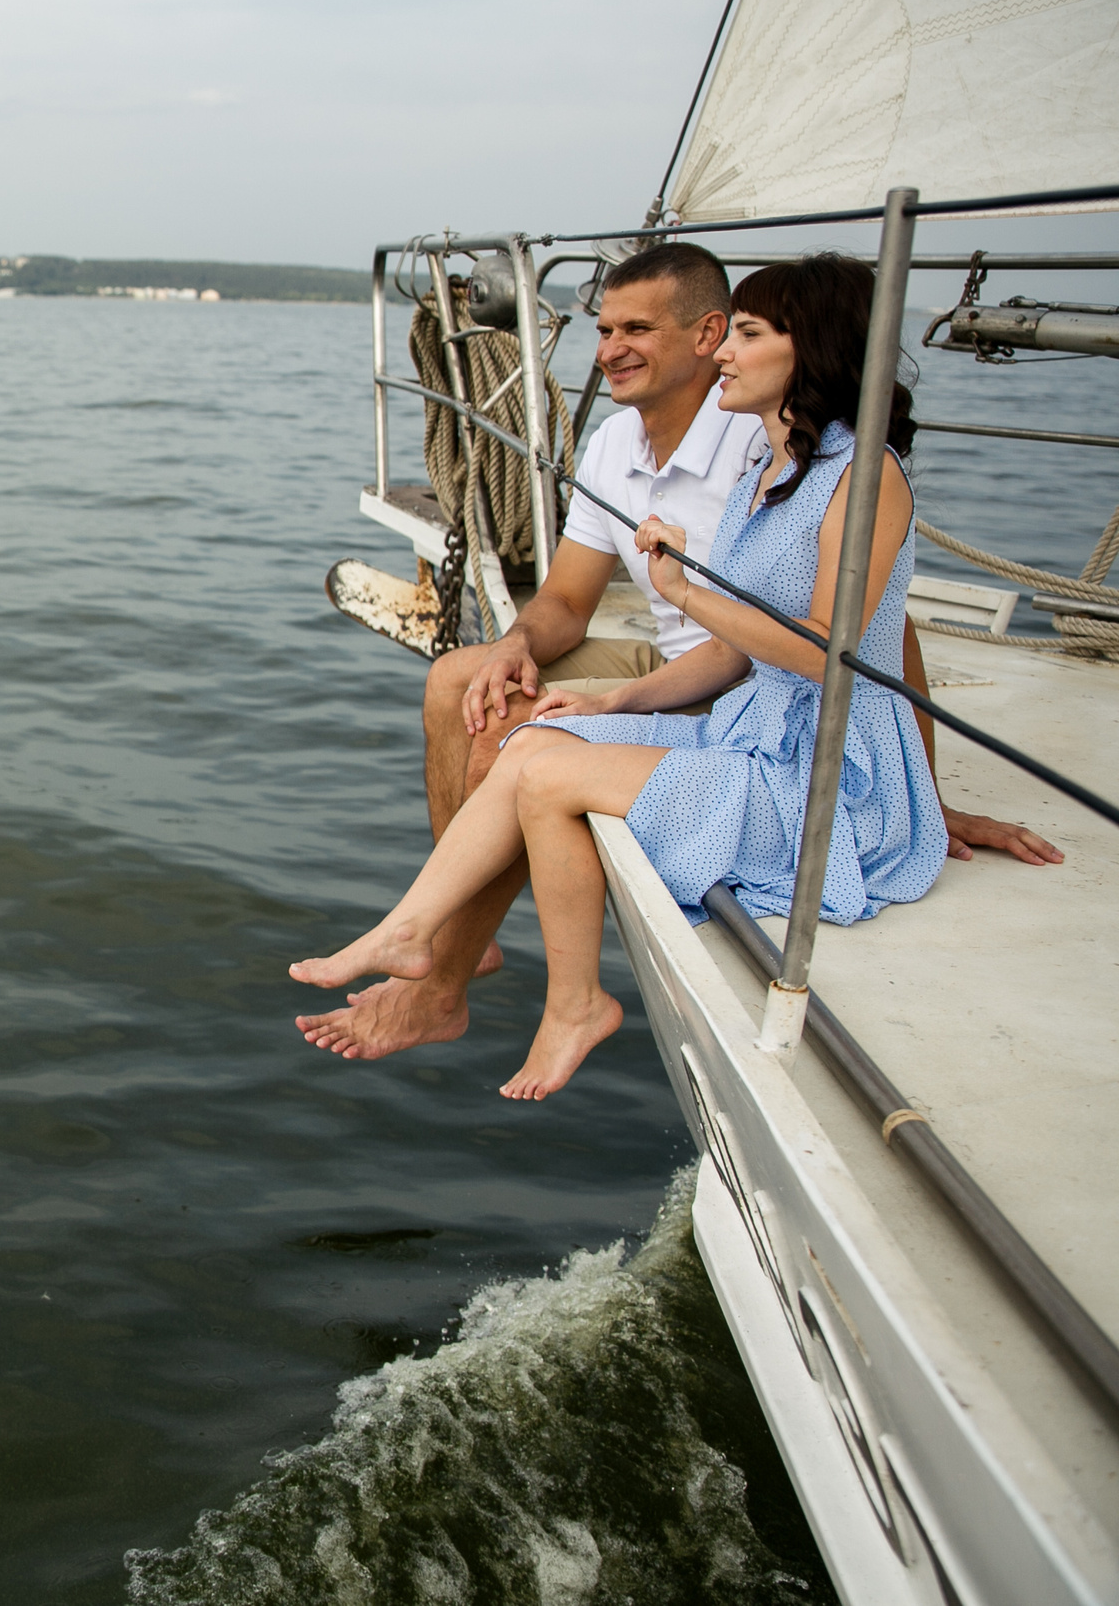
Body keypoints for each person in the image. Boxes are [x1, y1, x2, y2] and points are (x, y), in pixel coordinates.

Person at [297, 245, 1060, 1064]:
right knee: (476, 693)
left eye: (638, 329)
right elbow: (570, 603)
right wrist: (544, 664)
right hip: (719, 686)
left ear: (719, 337)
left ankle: (454, 978)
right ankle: (431, 934)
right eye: (603, 328)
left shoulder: (805, 455)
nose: (609, 348)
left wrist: (919, 792)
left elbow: (866, 638)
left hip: (781, 720)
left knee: (519, 753)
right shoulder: (714, 454)